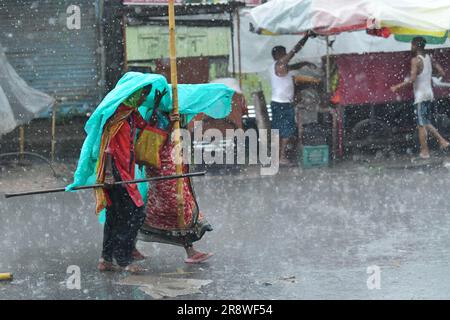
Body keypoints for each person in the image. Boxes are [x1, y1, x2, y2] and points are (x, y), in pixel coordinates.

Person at [139, 90, 214, 264]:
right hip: (162, 168)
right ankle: (130, 242)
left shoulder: (178, 116)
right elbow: (152, 138)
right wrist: (167, 124)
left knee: (182, 206)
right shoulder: (157, 116)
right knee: (176, 205)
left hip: (176, 167)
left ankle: (190, 250)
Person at [97, 85, 152, 273]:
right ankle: (124, 259)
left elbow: (146, 127)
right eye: (142, 95)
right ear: (133, 96)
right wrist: (110, 174)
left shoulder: (130, 114)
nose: (143, 100)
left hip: (126, 173)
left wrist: (158, 103)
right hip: (117, 173)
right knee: (134, 214)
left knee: (115, 216)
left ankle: (106, 258)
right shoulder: (117, 117)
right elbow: (107, 148)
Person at [391, 36, 449, 159]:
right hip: (429, 93)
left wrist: (397, 86)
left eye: (411, 44)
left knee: (422, 124)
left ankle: (426, 151)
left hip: (421, 95)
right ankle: (440, 142)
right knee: (424, 122)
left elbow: (412, 79)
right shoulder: (428, 57)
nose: (410, 47)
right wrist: (427, 73)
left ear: (416, 45)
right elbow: (441, 73)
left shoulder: (415, 60)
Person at [270, 31, 316, 165]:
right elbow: (294, 51)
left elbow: (294, 66)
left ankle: (278, 157)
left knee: (281, 131)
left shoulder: (280, 67)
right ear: (278, 56)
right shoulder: (279, 65)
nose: (286, 56)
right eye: (284, 54)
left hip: (282, 103)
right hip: (282, 104)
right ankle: (281, 157)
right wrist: (305, 37)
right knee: (285, 131)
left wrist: (305, 63)